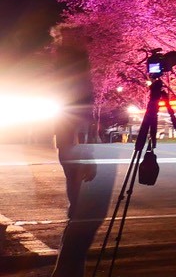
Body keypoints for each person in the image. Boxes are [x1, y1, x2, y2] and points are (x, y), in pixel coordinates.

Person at [51, 26, 113, 277]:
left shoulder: (63, 67)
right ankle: (68, 271)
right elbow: (76, 115)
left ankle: (69, 271)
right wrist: (88, 155)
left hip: (70, 147)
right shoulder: (73, 70)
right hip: (76, 148)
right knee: (87, 216)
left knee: (80, 213)